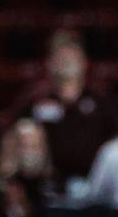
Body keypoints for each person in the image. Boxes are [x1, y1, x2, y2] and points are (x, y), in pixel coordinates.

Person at [7, 29, 109, 186]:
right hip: (44, 180)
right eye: (61, 57)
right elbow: (11, 133)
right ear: (49, 63)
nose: (66, 63)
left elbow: (115, 139)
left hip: (93, 180)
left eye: (72, 57)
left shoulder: (98, 97)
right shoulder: (35, 98)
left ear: (84, 62)